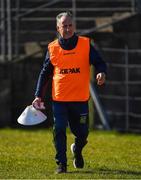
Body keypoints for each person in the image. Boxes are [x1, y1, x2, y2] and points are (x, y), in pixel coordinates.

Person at [32, 11, 107, 174]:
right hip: (59, 99)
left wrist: (101, 72)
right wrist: (38, 94)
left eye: (70, 25)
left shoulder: (85, 44)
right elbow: (45, 73)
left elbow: (100, 62)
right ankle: (61, 164)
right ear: (58, 28)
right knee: (59, 128)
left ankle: (77, 150)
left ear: (74, 26)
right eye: (64, 26)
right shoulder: (52, 48)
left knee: (82, 134)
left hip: (80, 99)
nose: (67, 29)